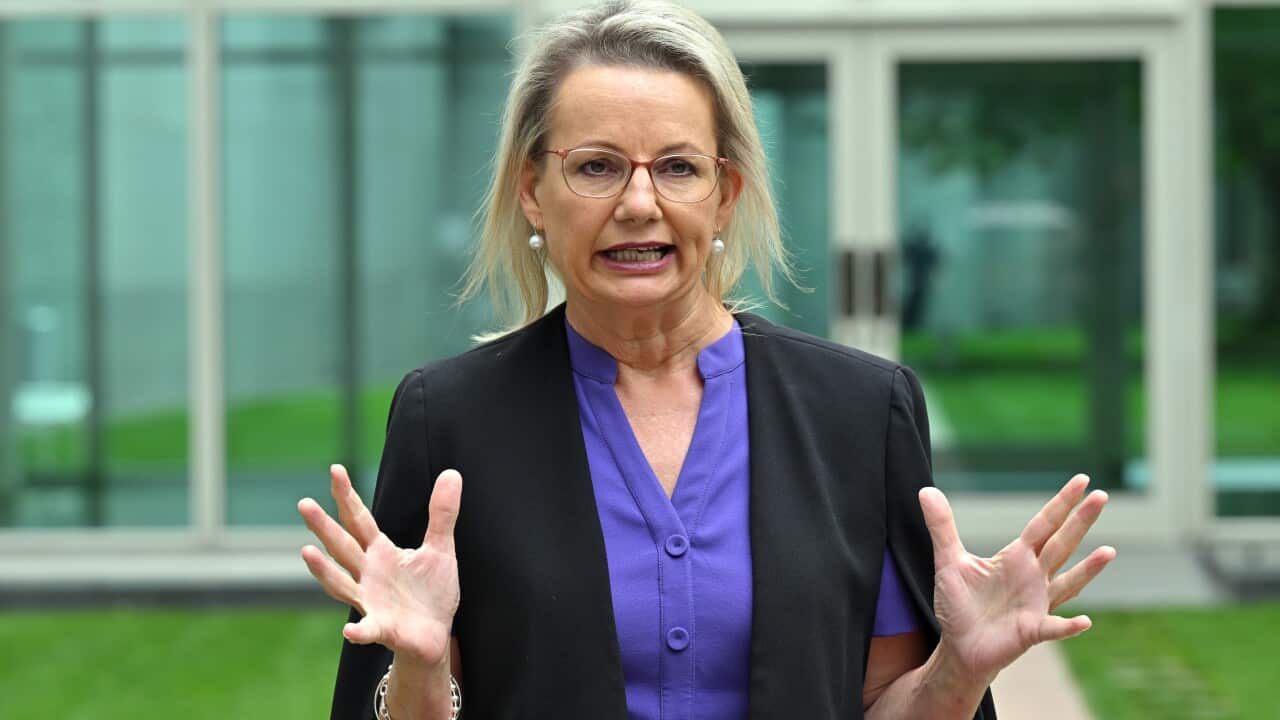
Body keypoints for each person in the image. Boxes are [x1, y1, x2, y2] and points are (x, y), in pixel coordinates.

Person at [296, 2, 1117, 718]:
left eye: (678, 168)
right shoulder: (452, 421)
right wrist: (424, 665)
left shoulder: (861, 414)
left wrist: (960, 670)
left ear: (724, 194)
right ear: (531, 192)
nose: (639, 203)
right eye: (596, 167)